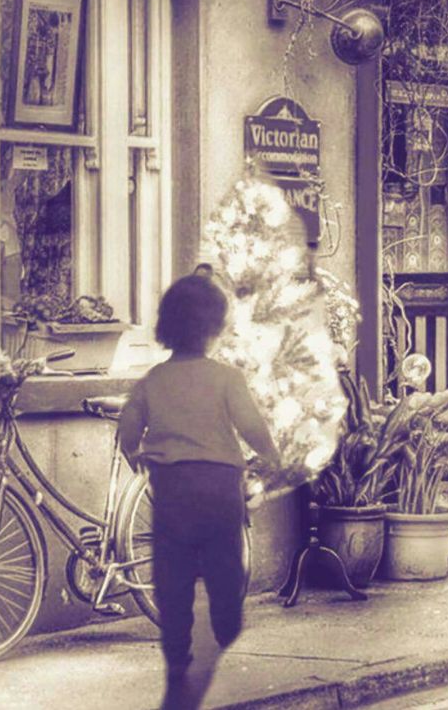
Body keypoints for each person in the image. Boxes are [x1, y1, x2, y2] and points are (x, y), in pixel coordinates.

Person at [118, 271, 280, 702]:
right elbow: (251, 424)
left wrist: (133, 452)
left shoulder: (153, 380)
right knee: (225, 565)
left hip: (172, 490)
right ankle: (226, 623)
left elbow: (128, 426)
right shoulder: (227, 378)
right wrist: (271, 455)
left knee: (172, 577)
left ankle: (177, 657)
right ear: (214, 327)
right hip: (220, 488)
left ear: (166, 327)